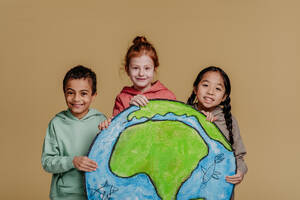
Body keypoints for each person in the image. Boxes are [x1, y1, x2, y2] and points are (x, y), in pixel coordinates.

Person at [41, 65, 106, 200]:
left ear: (94, 95)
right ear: (64, 93)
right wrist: (73, 161)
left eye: (83, 93)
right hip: (64, 195)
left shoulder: (101, 122)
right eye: (71, 92)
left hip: (94, 193)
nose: (76, 99)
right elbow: (47, 162)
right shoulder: (56, 123)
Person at [187, 66, 247, 199]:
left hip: (219, 190)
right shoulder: (184, 115)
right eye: (205, 85)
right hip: (188, 186)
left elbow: (239, 155)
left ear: (224, 97)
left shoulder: (228, 121)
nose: (210, 92)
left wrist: (240, 171)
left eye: (218, 88)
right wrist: (200, 123)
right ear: (195, 88)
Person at [99, 36, 176, 129]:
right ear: (127, 70)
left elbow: (174, 128)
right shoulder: (122, 99)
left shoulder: (167, 96)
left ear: (154, 69)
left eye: (147, 68)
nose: (141, 73)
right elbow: (117, 131)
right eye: (135, 68)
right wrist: (130, 110)